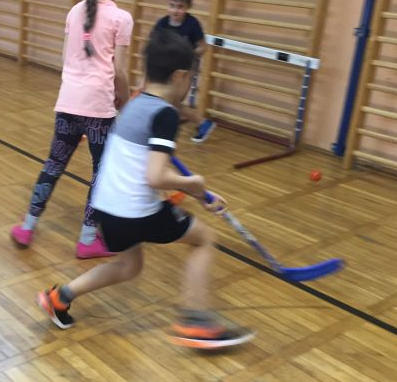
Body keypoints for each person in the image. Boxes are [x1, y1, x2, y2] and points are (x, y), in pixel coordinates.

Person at [36, 29, 254, 349]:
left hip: (106, 208)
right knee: (205, 239)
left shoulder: (135, 106)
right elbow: (155, 177)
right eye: (192, 79)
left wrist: (198, 194)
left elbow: (144, 167)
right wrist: (195, 184)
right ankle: (196, 322)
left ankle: (60, 297)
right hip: (135, 211)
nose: (190, 86)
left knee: (129, 266)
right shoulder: (165, 114)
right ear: (180, 77)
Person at [10, 0, 134, 259]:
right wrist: (125, 100)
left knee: (54, 164)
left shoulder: (75, 11)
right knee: (101, 173)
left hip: (68, 102)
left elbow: (67, 58)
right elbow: (119, 71)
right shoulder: (121, 18)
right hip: (99, 108)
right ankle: (87, 240)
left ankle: (27, 226)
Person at [152, 0, 215, 144]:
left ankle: (164, 135)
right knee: (170, 101)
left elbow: (203, 47)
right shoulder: (162, 24)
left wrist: (188, 54)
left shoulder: (192, 24)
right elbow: (154, 45)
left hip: (186, 70)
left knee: (173, 101)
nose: (175, 10)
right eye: (172, 5)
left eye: (180, 7)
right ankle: (203, 123)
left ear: (188, 7)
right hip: (167, 69)